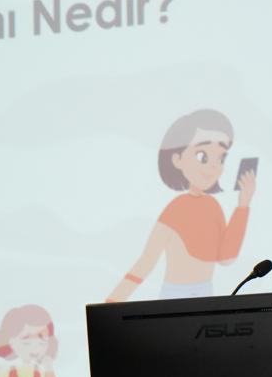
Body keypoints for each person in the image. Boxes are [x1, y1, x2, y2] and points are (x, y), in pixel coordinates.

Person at [106, 109, 256, 302]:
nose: (214, 166)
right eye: (202, 156)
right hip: (175, 296)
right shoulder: (176, 209)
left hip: (206, 293)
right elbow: (147, 260)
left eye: (221, 158)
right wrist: (113, 302)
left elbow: (227, 258)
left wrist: (243, 204)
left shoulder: (213, 206)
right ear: (177, 159)